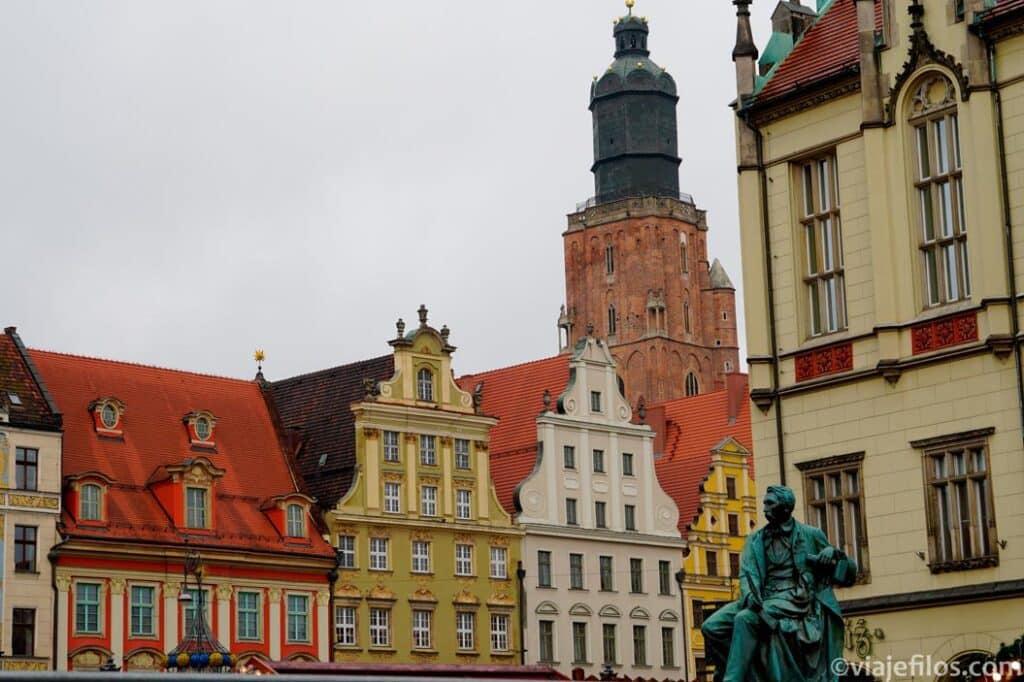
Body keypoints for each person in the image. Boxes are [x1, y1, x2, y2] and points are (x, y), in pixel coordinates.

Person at [701, 485, 857, 681]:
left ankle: (733, 679)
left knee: (745, 619)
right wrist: (749, 596)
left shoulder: (811, 534)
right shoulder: (755, 539)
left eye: (769, 503)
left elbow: (849, 573)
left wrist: (834, 553)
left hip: (794, 598)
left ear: (785, 507)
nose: (764, 508)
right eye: (764, 503)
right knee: (711, 627)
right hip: (762, 596)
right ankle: (749, 674)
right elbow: (747, 574)